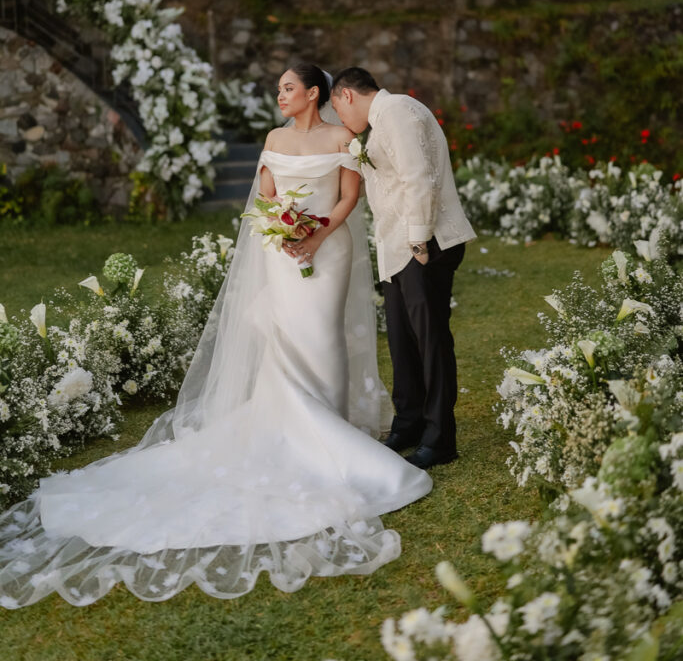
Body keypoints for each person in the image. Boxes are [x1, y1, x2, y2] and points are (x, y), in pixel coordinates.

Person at [0, 62, 431, 609]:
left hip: (329, 251)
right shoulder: (274, 139)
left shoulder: (342, 137)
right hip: (282, 251)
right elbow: (266, 192)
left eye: (288, 88)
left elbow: (349, 196)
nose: (280, 95)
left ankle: (330, 423)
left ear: (313, 93)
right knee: (285, 336)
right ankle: (295, 427)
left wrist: (317, 232)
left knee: (323, 335)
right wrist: (283, 224)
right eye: (278, 89)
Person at [330, 68, 476, 470]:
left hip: (425, 243)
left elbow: (418, 179)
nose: (342, 120)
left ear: (346, 95)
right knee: (401, 339)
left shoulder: (396, 111)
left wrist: (418, 242)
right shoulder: (380, 121)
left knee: (430, 342)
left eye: (338, 111)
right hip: (398, 249)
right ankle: (409, 423)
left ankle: (440, 438)